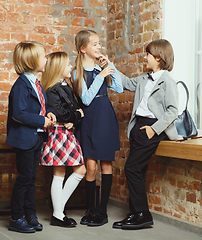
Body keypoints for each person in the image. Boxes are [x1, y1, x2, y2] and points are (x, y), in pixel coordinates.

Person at [112, 39, 179, 230]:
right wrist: (108, 66)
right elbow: (126, 83)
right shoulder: (144, 78)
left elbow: (173, 110)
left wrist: (153, 129)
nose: (145, 57)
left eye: (148, 54)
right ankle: (135, 213)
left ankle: (143, 214)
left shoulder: (168, 81)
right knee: (138, 171)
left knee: (131, 169)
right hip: (138, 127)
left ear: (158, 57)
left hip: (151, 128)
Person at [71, 29, 123, 227]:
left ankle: (102, 212)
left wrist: (110, 67)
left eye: (99, 43)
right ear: (83, 49)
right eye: (95, 44)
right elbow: (85, 98)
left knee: (106, 165)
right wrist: (101, 75)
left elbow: (118, 88)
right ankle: (90, 210)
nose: (99, 47)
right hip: (89, 119)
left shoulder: (102, 69)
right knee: (90, 167)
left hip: (105, 118)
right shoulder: (77, 73)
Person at [6, 41, 56, 233]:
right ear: (32, 60)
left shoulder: (35, 83)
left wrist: (48, 114)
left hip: (36, 138)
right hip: (25, 139)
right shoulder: (21, 85)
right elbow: (18, 114)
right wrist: (40, 120)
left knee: (31, 179)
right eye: (43, 56)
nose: (46, 59)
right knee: (24, 179)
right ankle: (16, 217)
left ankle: (30, 215)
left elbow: (38, 107)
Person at [40, 52, 86, 228]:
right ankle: (58, 213)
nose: (71, 67)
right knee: (59, 174)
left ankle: (57, 209)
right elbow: (60, 113)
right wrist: (75, 115)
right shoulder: (52, 89)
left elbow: (76, 111)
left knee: (78, 170)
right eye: (68, 64)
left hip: (67, 134)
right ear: (58, 68)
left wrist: (74, 117)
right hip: (58, 133)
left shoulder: (66, 86)